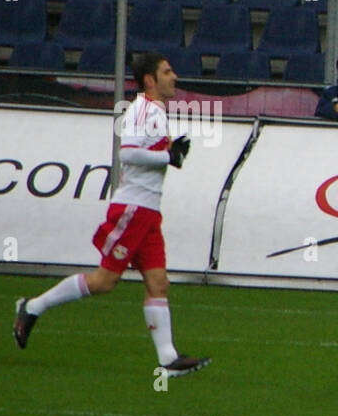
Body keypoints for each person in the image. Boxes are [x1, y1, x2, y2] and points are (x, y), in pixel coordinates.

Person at [13, 52, 210, 377]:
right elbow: (127, 153)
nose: (174, 76)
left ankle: (168, 359)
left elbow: (145, 152)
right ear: (150, 80)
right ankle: (33, 307)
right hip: (133, 209)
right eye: (167, 71)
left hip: (149, 212)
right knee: (105, 281)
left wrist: (170, 151)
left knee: (158, 283)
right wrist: (168, 157)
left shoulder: (155, 111)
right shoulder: (142, 110)